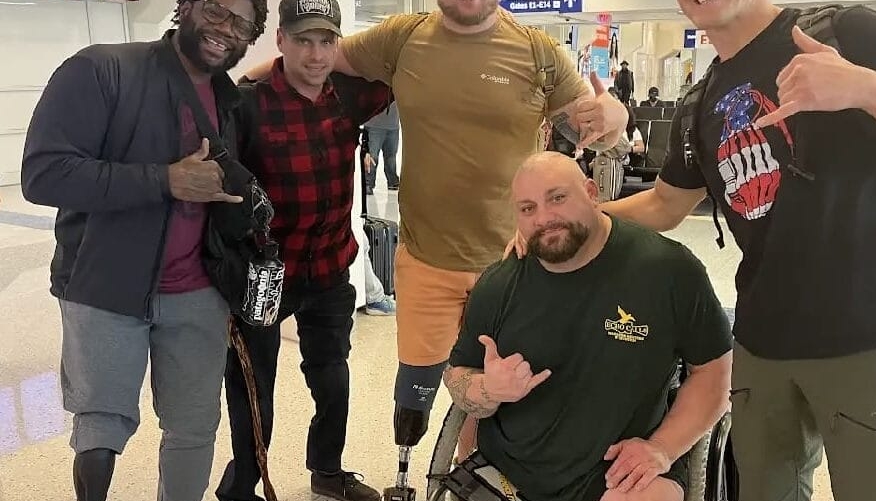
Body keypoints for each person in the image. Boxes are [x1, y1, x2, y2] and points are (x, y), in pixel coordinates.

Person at [592, 2, 876, 501]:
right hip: (763, 347)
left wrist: (869, 89)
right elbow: (664, 204)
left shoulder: (846, 33)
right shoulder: (699, 103)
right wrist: (573, 214)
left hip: (872, 338)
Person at [246, 0, 629, 457]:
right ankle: (411, 469)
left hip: (513, 261)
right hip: (426, 260)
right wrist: (238, 83)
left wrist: (617, 119)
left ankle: (477, 471)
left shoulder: (537, 51)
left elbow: (596, 124)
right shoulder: (402, 37)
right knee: (414, 399)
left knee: (506, 388)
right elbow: (322, 55)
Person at [20, 0, 265, 499]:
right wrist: (165, 179)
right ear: (189, 6)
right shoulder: (100, 69)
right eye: (217, 11)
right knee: (101, 427)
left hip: (199, 291)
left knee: (195, 427)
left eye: (242, 25)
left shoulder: (230, 100)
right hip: (105, 287)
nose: (225, 30)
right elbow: (43, 174)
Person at [445, 152, 733, 501]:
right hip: (510, 471)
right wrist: (488, 388)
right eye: (527, 208)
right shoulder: (499, 284)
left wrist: (663, 448)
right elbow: (458, 375)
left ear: (592, 193)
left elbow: (714, 373)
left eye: (557, 198)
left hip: (620, 474)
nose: (545, 218)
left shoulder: (668, 271)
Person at [214, 1, 391, 500]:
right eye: (303, 40)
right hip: (265, 275)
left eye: (326, 41)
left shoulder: (352, 96)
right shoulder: (246, 104)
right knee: (253, 388)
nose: (315, 54)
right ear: (281, 41)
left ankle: (327, 472)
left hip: (331, 267)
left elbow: (410, 65)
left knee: (332, 378)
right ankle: (243, 485)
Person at [363, 101, 401, 192]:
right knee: (372, 156)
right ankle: (368, 183)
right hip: (374, 125)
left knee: (391, 156)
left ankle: (393, 181)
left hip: (393, 125)